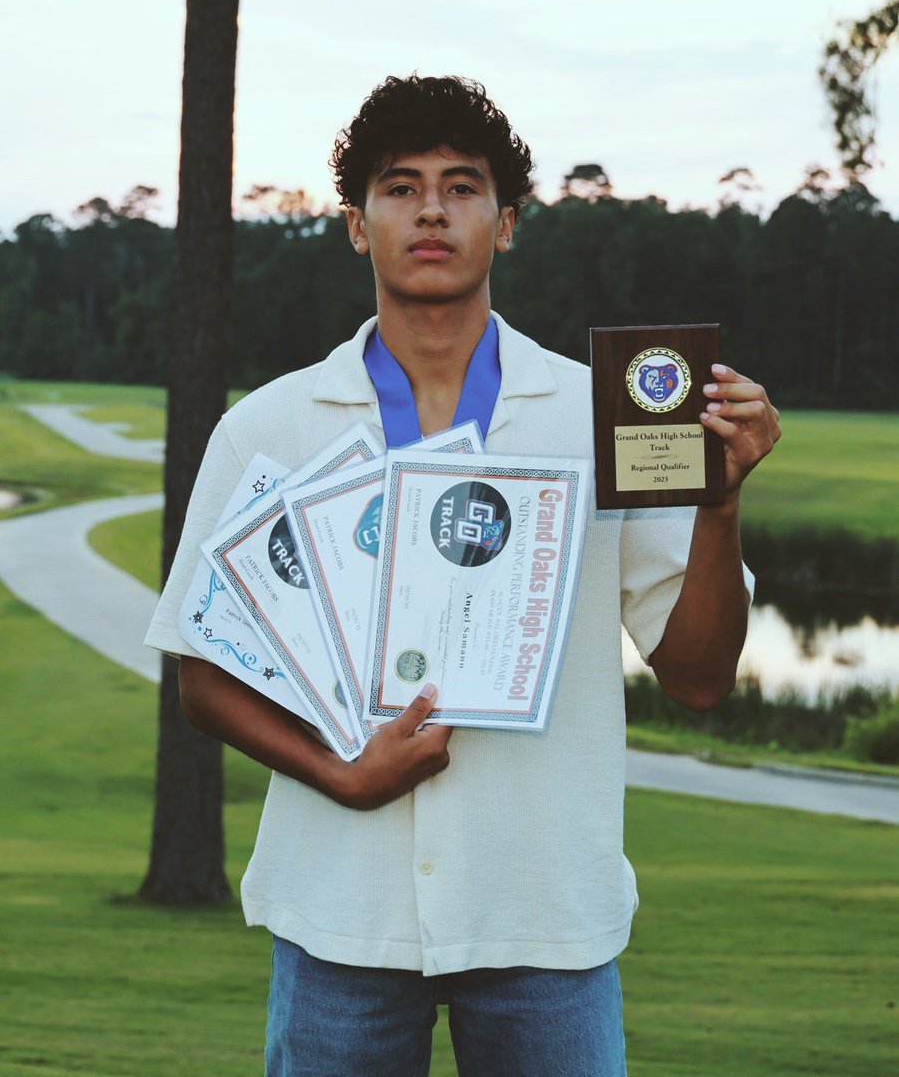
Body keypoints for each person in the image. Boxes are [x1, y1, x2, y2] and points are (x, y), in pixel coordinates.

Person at [144, 74, 781, 1076]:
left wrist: (720, 503)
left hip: (545, 923)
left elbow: (698, 678)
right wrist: (339, 775)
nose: (431, 209)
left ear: (508, 222)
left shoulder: (599, 418)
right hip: (339, 917)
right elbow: (201, 677)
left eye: (462, 186)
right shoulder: (266, 429)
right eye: (400, 188)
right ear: (356, 225)